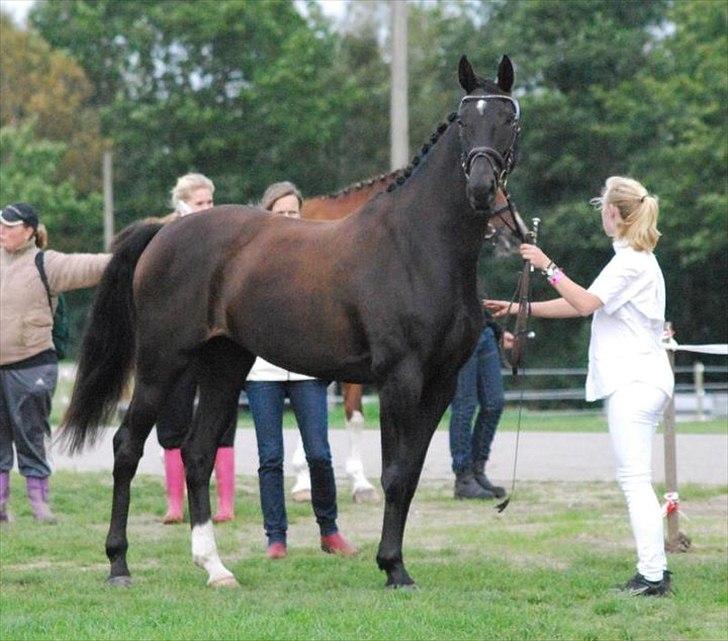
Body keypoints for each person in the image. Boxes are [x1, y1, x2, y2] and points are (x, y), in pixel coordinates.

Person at [486, 176, 674, 597]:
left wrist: (545, 265)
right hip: (646, 378)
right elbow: (583, 301)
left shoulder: (630, 262)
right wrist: (522, 307)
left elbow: (585, 303)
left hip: (634, 381)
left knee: (634, 480)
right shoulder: (636, 259)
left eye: (602, 207)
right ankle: (655, 569)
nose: (601, 214)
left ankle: (652, 575)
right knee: (638, 479)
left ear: (614, 213)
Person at [246, 181, 356, 560]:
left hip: (308, 369)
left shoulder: (317, 261)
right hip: (263, 371)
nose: (289, 220)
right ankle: (275, 537)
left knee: (319, 453)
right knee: (270, 457)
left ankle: (330, 531)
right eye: (281, 214)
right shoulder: (253, 263)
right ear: (268, 216)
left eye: (294, 212)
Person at [0, 203, 111, 522]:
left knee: (32, 433)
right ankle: (1, 503)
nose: (2, 231)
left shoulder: (45, 263)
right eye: (1, 225)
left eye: (10, 226)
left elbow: (93, 265)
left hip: (32, 364)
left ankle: (39, 504)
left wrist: (135, 254)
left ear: (29, 231)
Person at [156, 173, 236, 524]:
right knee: (173, 417)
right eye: (201, 203)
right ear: (183, 203)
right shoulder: (167, 237)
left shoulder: (225, 236)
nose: (207, 208)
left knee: (222, 418)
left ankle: (226, 503)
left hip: (217, 338)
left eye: (210, 202)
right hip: (178, 337)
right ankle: (175, 502)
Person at [449, 310, 513, 500]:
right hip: (459, 332)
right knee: (464, 406)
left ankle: (477, 470)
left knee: (495, 403)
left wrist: (497, 331)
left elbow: (476, 298)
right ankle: (463, 477)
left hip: (484, 331)